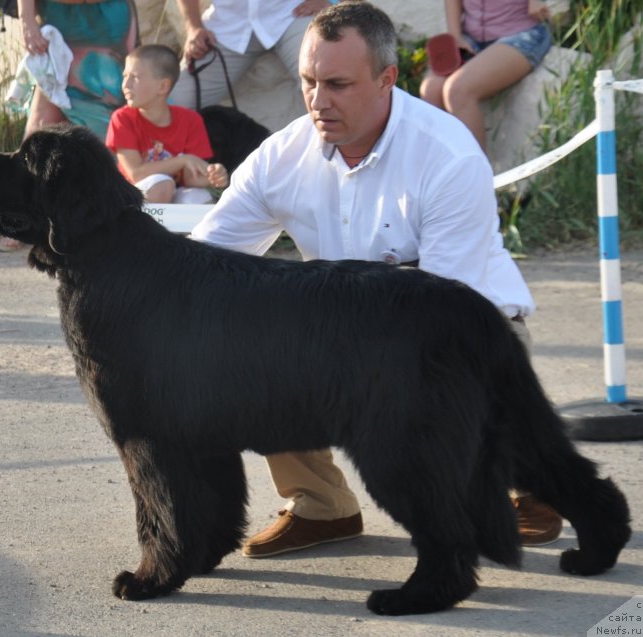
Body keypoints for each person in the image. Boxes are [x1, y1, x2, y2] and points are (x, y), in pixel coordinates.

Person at [190, 0, 562, 559]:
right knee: (245, 344)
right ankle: (322, 506)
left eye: (337, 84)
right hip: (348, 327)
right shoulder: (281, 155)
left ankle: (533, 479)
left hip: (463, 328)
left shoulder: (449, 155)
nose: (318, 100)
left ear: (388, 79)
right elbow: (205, 262)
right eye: (309, 81)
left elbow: (444, 318)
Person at [0, 0, 138, 251]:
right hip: (57, 18)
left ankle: (114, 219)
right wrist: (27, 21)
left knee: (108, 131)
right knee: (39, 127)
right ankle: (20, 218)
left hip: (106, 22)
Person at [419, 0, 552, 150]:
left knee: (457, 90)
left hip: (521, 33)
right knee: (430, 90)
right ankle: (444, 169)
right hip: (471, 37)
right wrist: (455, 36)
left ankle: (476, 172)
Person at [106, 45, 229, 204]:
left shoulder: (191, 120)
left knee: (200, 197)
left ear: (163, 86)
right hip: (132, 199)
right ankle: (148, 230)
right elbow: (136, 174)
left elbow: (190, 179)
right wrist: (183, 160)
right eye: (125, 76)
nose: (126, 84)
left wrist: (213, 176)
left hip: (173, 193)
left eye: (135, 77)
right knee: (161, 184)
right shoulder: (122, 118)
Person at [168, 0, 330, 112]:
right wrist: (193, 27)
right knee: (177, 102)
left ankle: (345, 156)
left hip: (291, 15)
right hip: (229, 25)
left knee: (324, 81)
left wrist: (335, 2)